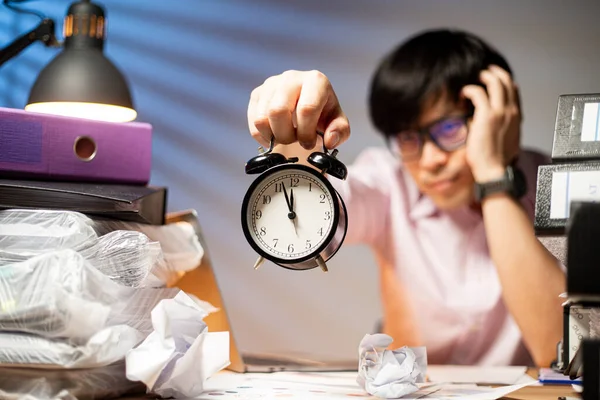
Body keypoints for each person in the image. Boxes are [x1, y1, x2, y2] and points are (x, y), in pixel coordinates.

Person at [246, 29, 565, 367]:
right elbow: (310, 216)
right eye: (408, 137)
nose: (430, 161)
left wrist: (493, 175)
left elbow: (561, 353)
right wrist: (296, 134)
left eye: (449, 128)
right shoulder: (388, 182)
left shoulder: (557, 186)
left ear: (499, 117)